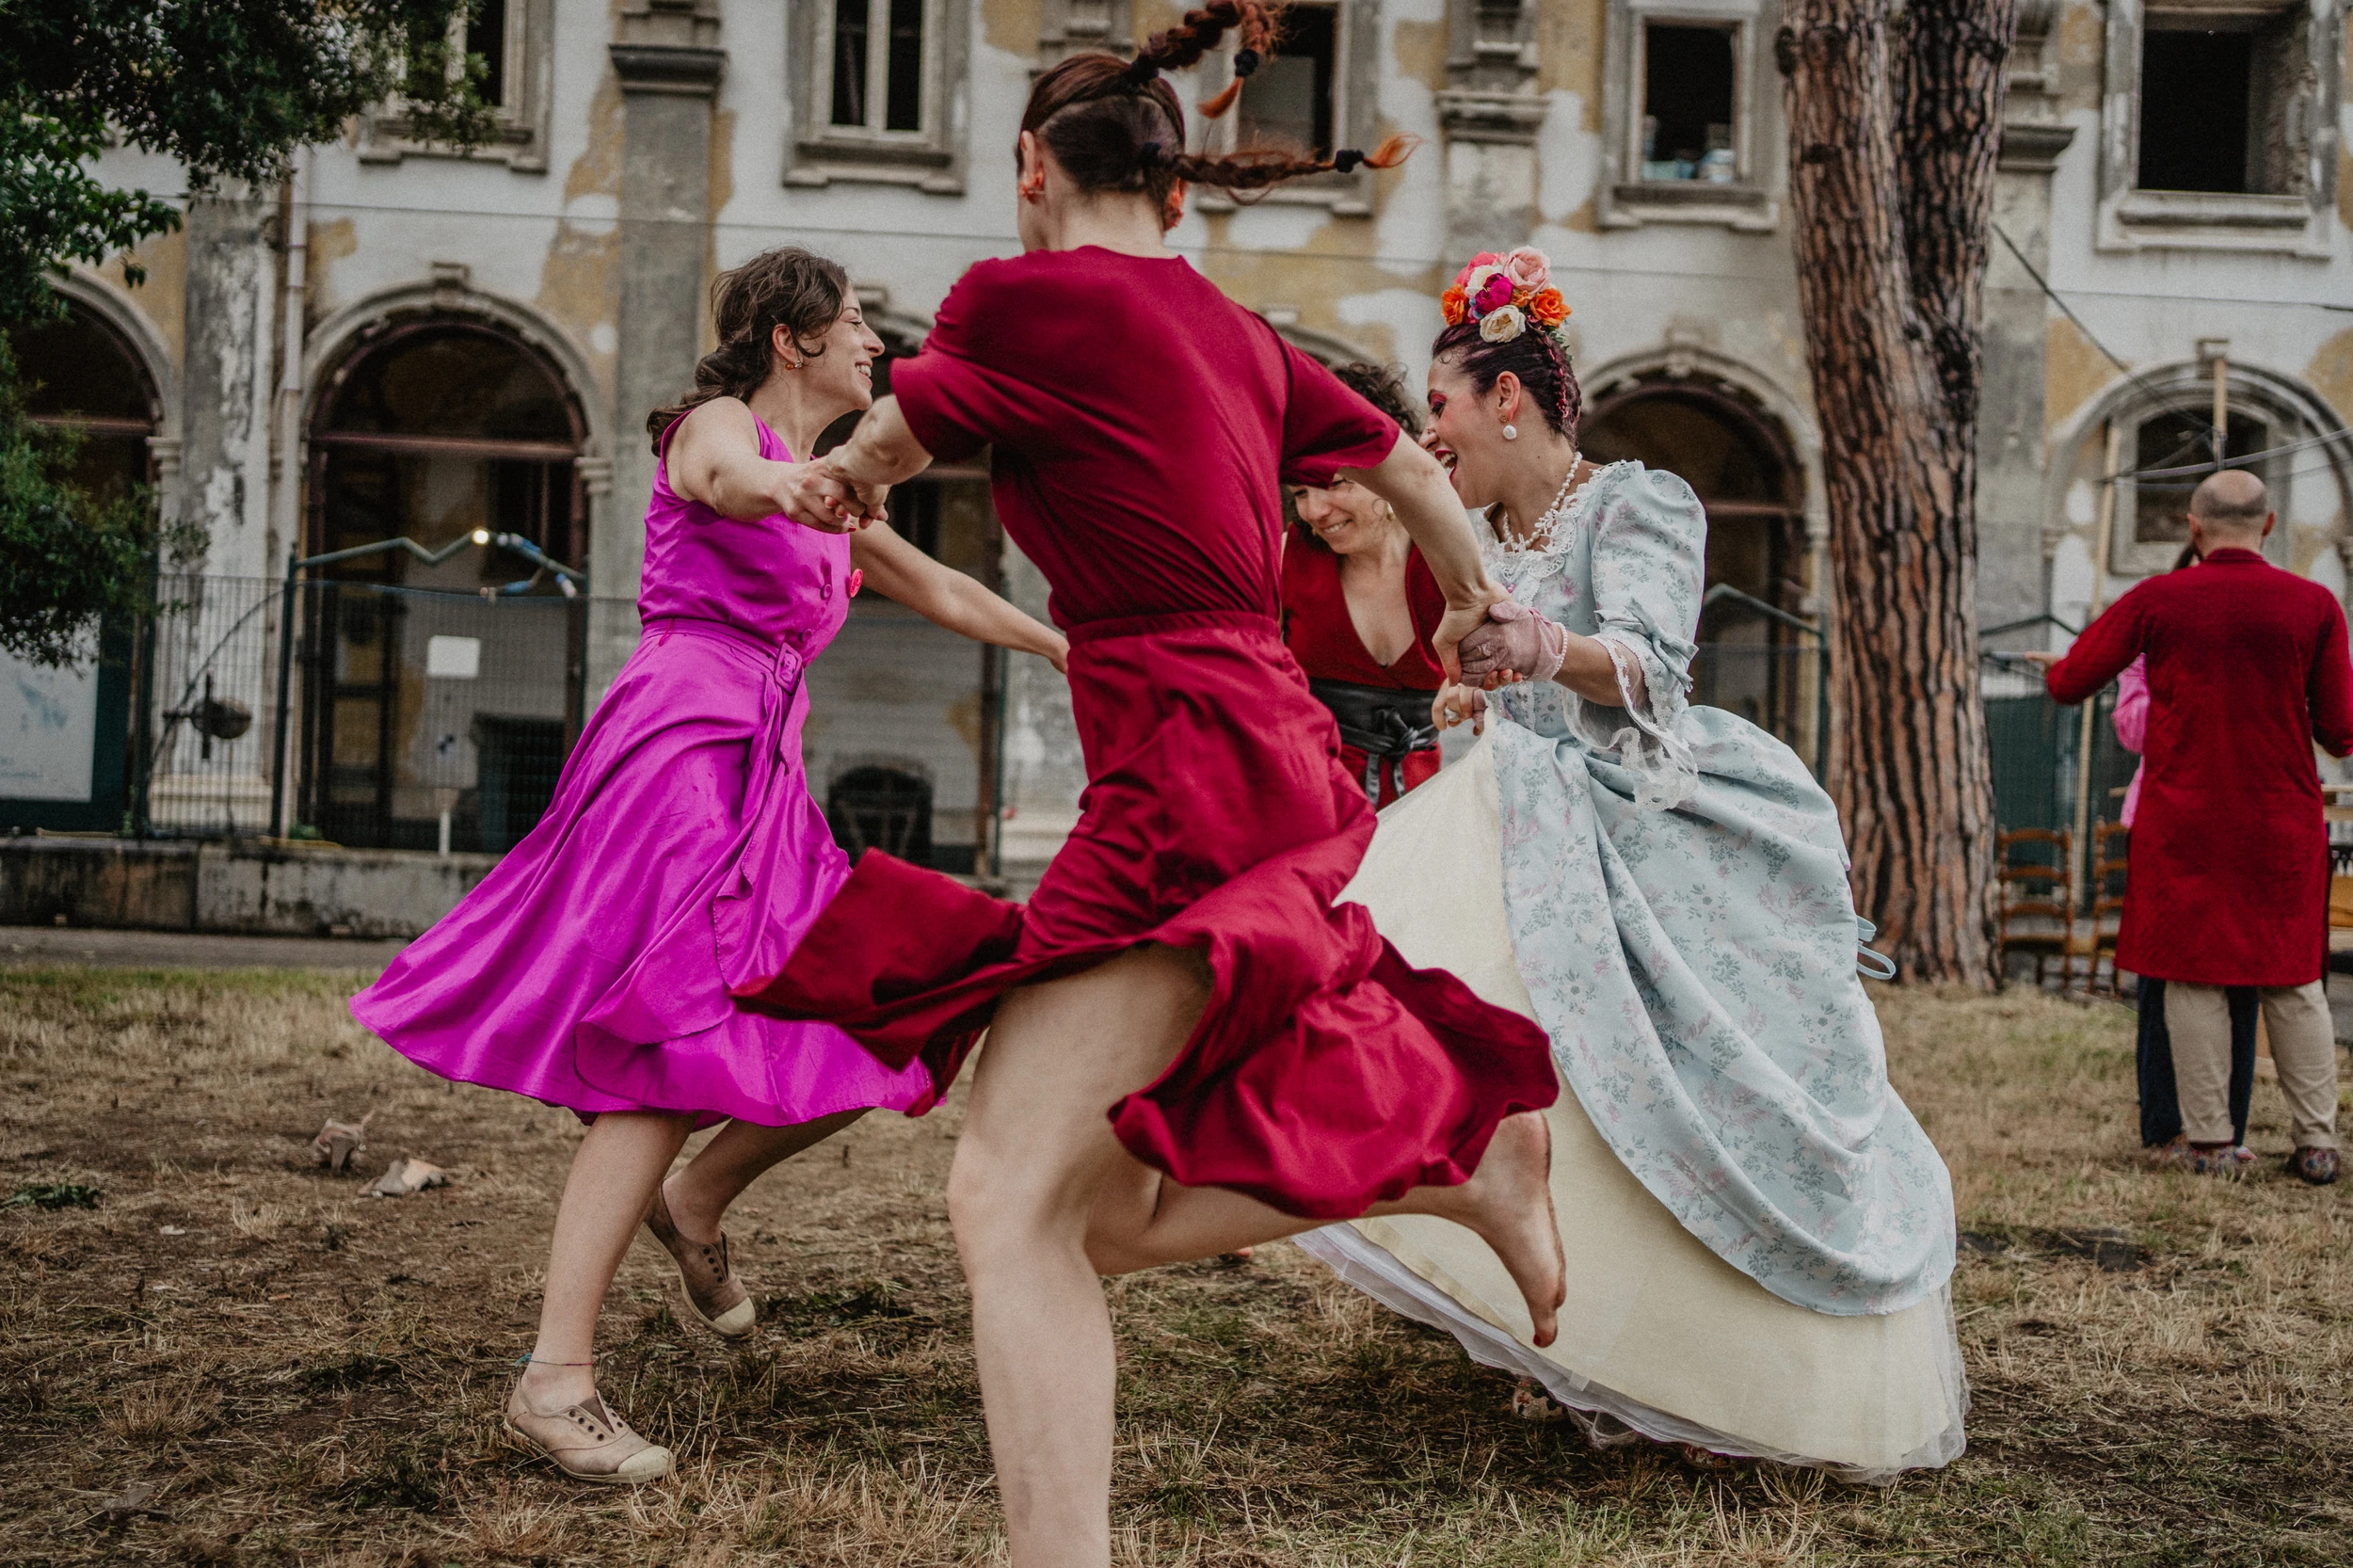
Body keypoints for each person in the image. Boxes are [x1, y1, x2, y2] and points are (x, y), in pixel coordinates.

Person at [736, 12, 1567, 1561]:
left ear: (1031, 168)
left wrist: (840, 474)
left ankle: (1462, 1146)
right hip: (1237, 741)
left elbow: (902, 431)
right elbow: (1403, 462)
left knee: (1006, 1200)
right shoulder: (1236, 332)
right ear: (1179, 193)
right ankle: (1457, 1164)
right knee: (1084, 1212)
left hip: (1188, 755)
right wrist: (1471, 596)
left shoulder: (1022, 299)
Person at [350, 248, 1067, 1483]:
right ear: (791, 338)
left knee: (881, 1007)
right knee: (659, 1054)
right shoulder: (721, 430)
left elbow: (946, 589)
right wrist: (799, 489)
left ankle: (694, 1203)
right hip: (682, 751)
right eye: (854, 322)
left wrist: (1068, 650)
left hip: (764, 774)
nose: (874, 344)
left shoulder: (839, 488)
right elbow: (732, 480)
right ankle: (554, 1382)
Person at [1292, 252, 1967, 1480]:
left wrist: (1541, 645)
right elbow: (1480, 658)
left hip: (1636, 828)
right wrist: (1478, 685)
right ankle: (1556, 1325)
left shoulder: (1635, 502)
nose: (1427, 434)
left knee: (1660, 1091)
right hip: (1515, 817)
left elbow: (1654, 666)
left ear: (1507, 399)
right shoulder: (1472, 532)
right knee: (1484, 1046)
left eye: (1441, 405)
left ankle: (1706, 1369)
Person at [2041, 468, 2353, 1186]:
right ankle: (2317, 1144)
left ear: (2193, 526)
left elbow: (2071, 683)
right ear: (2268, 525)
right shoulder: (2316, 604)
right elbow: (2340, 730)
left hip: (2185, 819)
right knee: (2294, 978)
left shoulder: (2158, 599)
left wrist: (2059, 668)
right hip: (2281, 818)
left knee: (2192, 977)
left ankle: (2210, 1143)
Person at [2102, 547, 2261, 1163]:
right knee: (2161, 974)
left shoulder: (2257, 640)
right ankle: (2166, 1126)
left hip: (2243, 819)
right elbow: (2131, 726)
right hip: (2164, 822)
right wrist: (2191, 691)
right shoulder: (2150, 644)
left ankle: (2228, 1127)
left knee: (2239, 975)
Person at [1281, 360, 1450, 806]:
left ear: (1389, 469)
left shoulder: (1452, 557)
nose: (1314, 511)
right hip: (1309, 802)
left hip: (1426, 809)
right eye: (1299, 493)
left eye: (1336, 484)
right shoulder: (1284, 558)